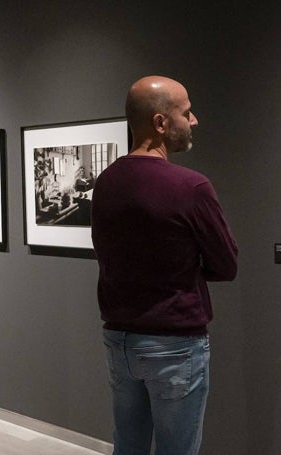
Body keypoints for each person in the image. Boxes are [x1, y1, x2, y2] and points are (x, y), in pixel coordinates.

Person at [91, 75, 238, 455]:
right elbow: (225, 265)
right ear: (160, 123)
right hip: (174, 343)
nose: (194, 121)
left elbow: (111, 255)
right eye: (186, 112)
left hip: (119, 340)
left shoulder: (106, 182)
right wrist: (181, 271)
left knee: (128, 446)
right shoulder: (190, 187)